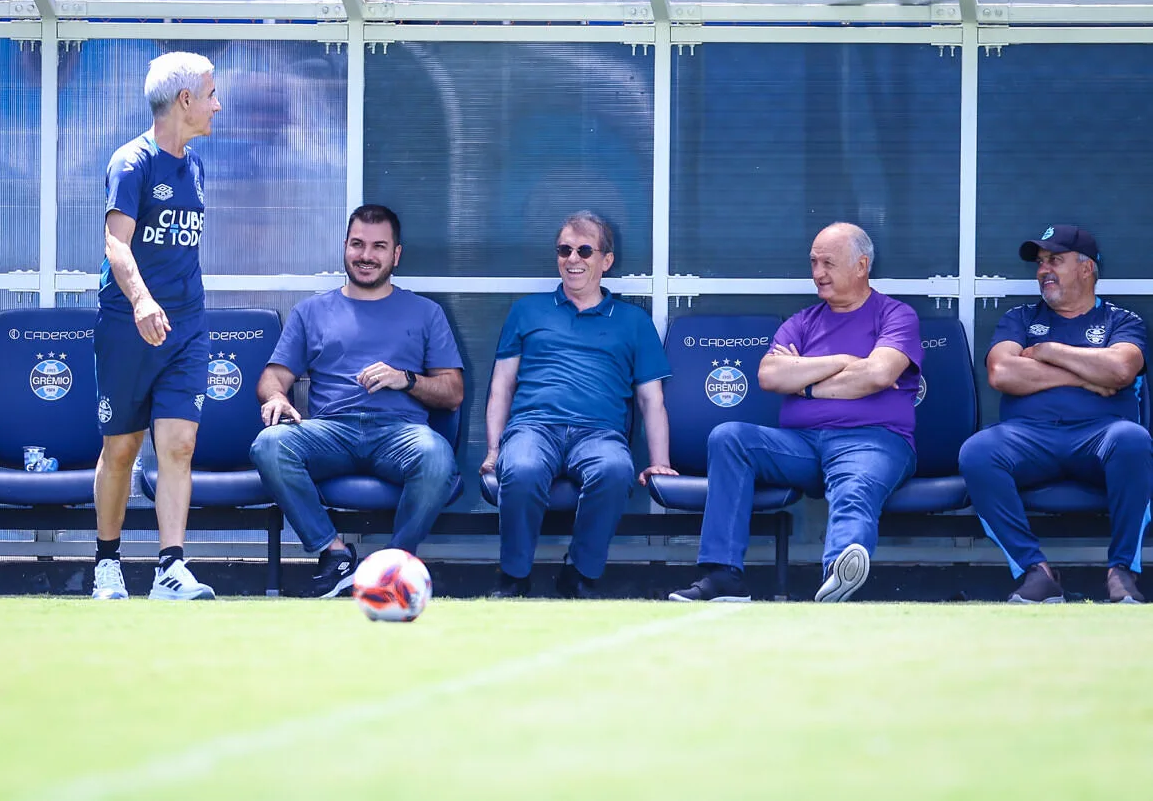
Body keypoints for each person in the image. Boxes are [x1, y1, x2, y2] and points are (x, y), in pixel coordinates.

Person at [670, 222, 922, 604]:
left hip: (874, 440)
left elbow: (879, 373)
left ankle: (839, 574)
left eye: (828, 263)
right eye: (814, 262)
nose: (817, 273)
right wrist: (840, 361)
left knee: (854, 486)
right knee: (730, 437)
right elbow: (769, 374)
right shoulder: (803, 321)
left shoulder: (896, 316)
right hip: (801, 445)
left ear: (861, 266)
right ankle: (723, 577)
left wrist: (804, 379)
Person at [249, 204, 464, 598]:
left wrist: (406, 380)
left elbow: (452, 393)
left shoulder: (425, 313)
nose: (366, 256)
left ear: (396, 254)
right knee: (269, 445)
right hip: (330, 431)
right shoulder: (311, 311)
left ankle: (393, 567)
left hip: (400, 433)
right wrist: (276, 396)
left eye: (379, 246)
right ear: (345, 247)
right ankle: (336, 557)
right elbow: (272, 378)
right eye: (358, 244)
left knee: (437, 457)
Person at [482, 211, 676, 599]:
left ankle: (580, 573)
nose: (573, 259)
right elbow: (501, 385)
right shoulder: (527, 311)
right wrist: (493, 450)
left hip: (599, 433)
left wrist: (661, 460)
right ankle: (514, 577)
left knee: (616, 469)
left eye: (585, 250)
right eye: (565, 250)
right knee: (519, 469)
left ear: (606, 261)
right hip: (533, 427)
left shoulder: (633, 321)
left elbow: (651, 399)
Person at [960, 225, 1150, 604]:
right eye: (1041, 262)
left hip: (1101, 436)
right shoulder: (1020, 318)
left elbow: (1120, 371)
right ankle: (1036, 572)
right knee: (977, 452)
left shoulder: (1122, 321)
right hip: (1028, 437)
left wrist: (1046, 350)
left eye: (1055, 260)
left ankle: (1122, 572)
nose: (1044, 270)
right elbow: (1002, 372)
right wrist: (1086, 376)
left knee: (1133, 441)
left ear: (1086, 269)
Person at [91, 52, 221, 601]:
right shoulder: (131, 161)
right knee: (121, 449)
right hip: (129, 323)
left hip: (187, 327)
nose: (218, 104)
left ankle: (170, 566)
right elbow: (115, 243)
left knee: (180, 443)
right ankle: (107, 562)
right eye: (211, 93)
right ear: (185, 100)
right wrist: (142, 300)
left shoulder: (194, 165)